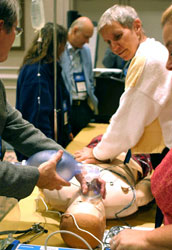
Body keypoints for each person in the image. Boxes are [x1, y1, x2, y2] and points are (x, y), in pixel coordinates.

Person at [0, 1, 106, 249]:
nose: (17, 35)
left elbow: (17, 126)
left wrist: (71, 163)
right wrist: (35, 175)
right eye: (17, 29)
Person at [78, 4, 172, 250]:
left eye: (118, 37)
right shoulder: (152, 51)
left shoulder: (147, 58)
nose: (114, 47)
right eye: (108, 42)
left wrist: (98, 153)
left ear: (137, 26)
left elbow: (127, 119)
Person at [16, 22, 73, 161]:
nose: (64, 49)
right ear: (57, 44)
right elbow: (39, 117)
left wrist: (66, 130)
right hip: (40, 151)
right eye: (63, 44)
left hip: (51, 144)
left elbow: (61, 102)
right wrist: (50, 153)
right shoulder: (37, 73)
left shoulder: (51, 68)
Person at [60, 16, 98, 137]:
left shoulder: (85, 50)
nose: (87, 41)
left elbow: (89, 78)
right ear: (75, 30)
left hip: (83, 107)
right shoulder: (60, 49)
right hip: (67, 106)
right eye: (86, 37)